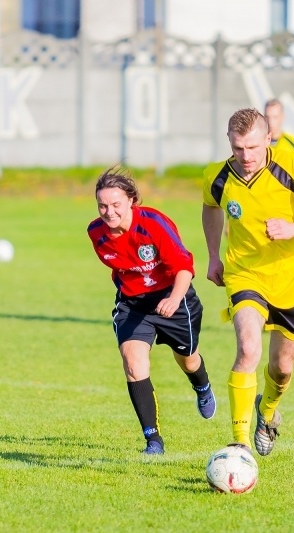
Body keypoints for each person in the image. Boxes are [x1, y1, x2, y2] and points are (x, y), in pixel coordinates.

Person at [201, 108, 294, 456]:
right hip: (245, 273)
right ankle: (240, 443)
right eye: (237, 148)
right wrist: (213, 255)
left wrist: (292, 228)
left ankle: (266, 413)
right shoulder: (217, 176)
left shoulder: (291, 166)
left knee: (282, 368)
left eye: (252, 147)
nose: (245, 156)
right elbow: (211, 206)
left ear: (268, 139)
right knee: (248, 349)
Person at [88, 166, 216, 455]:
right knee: (133, 363)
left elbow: (184, 267)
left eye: (116, 204)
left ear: (131, 200)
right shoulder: (96, 233)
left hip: (174, 298)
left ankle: (202, 385)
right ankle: (153, 440)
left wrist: (172, 299)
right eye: (103, 205)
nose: (109, 212)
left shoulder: (154, 224)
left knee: (188, 359)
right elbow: (122, 267)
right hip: (133, 304)